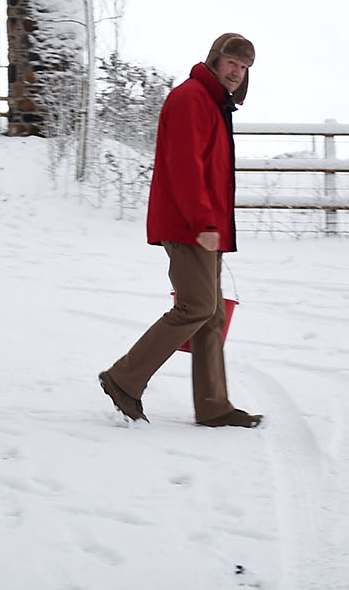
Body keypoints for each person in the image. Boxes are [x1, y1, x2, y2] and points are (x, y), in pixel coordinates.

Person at [98, 33, 263, 428]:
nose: (236, 73)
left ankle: (213, 405)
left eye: (243, 68)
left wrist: (216, 226)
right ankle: (123, 378)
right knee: (197, 307)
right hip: (189, 224)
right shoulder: (192, 98)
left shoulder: (213, 104)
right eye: (231, 64)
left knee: (212, 316)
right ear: (215, 60)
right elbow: (187, 167)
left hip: (205, 226)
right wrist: (205, 222)